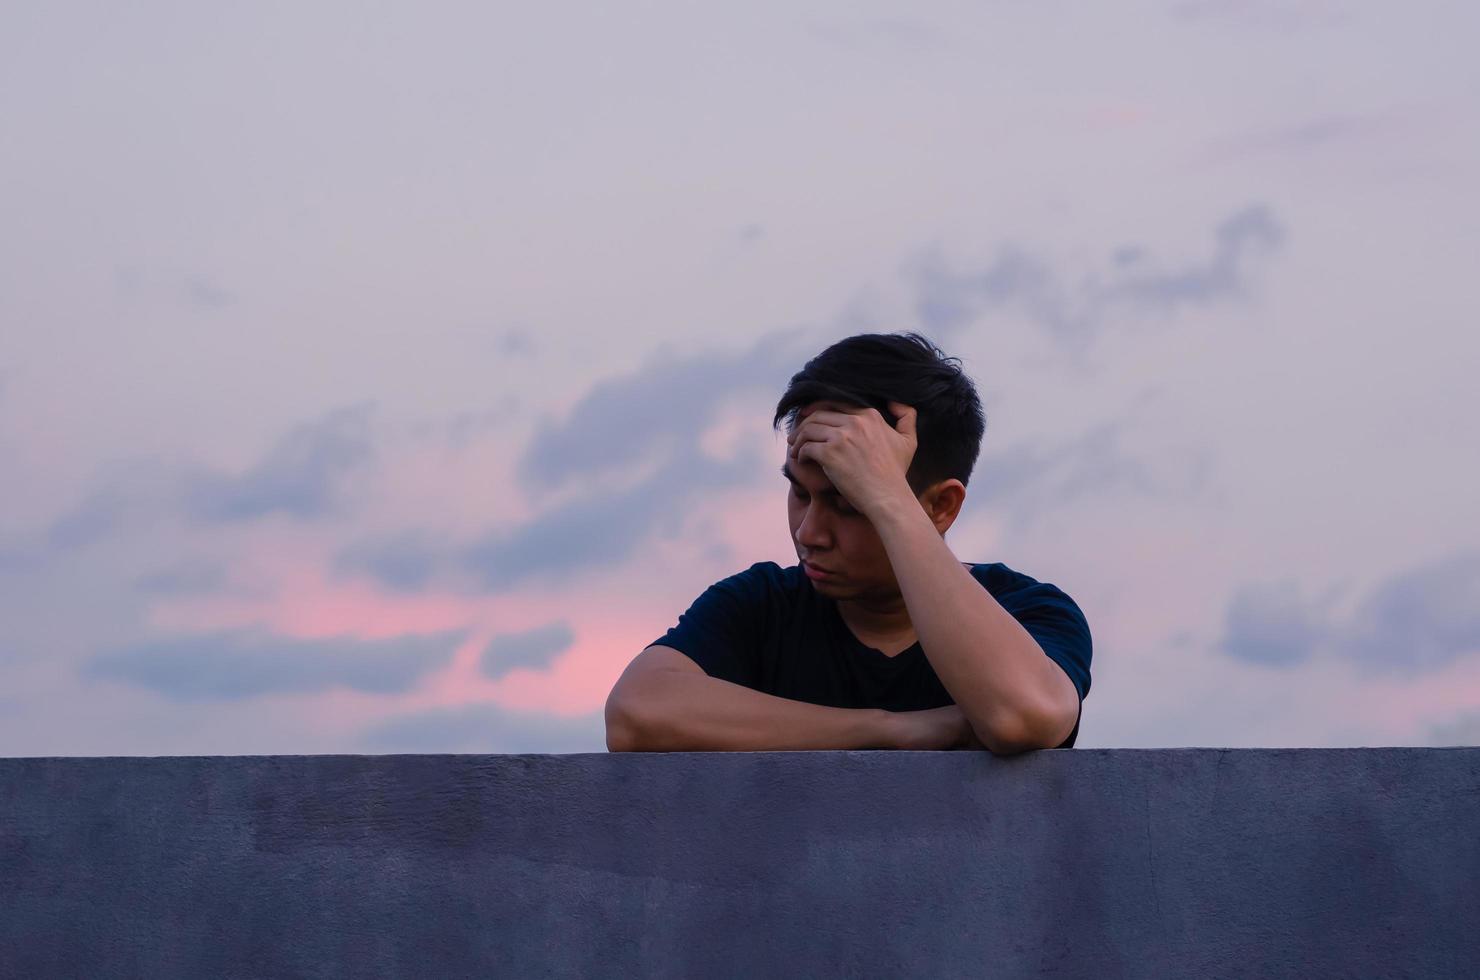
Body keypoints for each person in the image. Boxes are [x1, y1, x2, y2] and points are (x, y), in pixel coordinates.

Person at [605, 332, 1091, 754]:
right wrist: (889, 729)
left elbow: (1024, 718)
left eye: (849, 504)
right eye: (798, 492)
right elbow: (635, 713)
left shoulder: (1026, 610)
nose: (808, 533)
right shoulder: (761, 607)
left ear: (941, 506)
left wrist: (889, 499)